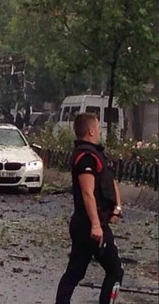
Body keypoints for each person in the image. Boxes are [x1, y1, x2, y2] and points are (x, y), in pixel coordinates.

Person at [55, 113, 124, 304]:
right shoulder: (86, 157)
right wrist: (95, 225)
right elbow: (87, 193)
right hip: (90, 225)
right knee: (115, 271)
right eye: (99, 128)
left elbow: (110, 181)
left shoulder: (97, 155)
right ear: (91, 130)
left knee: (75, 272)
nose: (100, 132)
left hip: (92, 223)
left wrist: (116, 208)